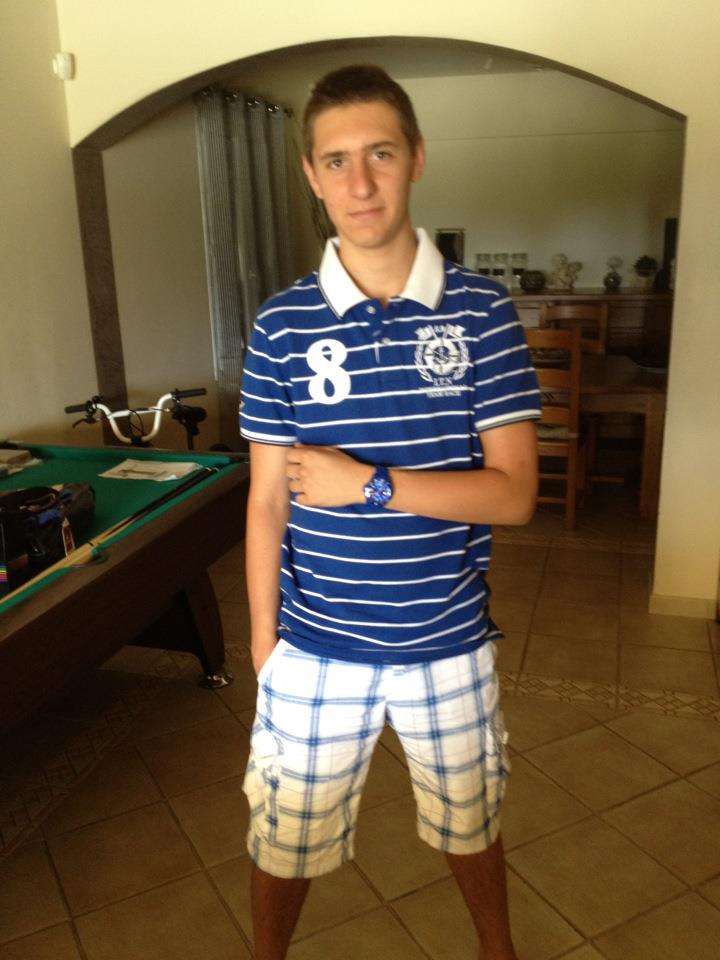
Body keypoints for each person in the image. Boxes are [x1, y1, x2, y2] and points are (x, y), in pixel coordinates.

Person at [239, 64, 541, 960]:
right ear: (311, 175)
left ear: (416, 157)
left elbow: (515, 493)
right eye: (336, 161)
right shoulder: (282, 326)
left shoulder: (482, 312)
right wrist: (263, 643)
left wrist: (366, 483)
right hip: (313, 644)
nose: (360, 183)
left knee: (471, 822)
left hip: (446, 640)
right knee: (283, 835)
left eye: (379, 153)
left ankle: (497, 951)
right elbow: (266, 499)